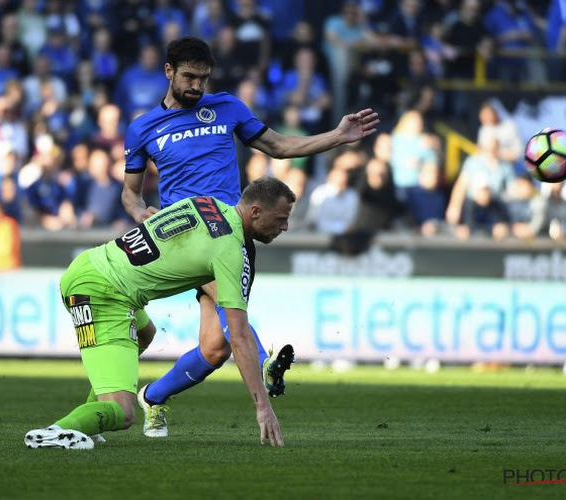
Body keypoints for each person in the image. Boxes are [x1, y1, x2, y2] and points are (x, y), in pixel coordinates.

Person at [122, 36, 379, 439]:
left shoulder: (226, 107)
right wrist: (140, 212)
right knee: (231, 309)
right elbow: (129, 192)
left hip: (231, 230)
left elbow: (278, 146)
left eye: (203, 78)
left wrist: (336, 136)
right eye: (189, 77)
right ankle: (263, 361)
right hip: (184, 232)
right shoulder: (142, 128)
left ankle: (153, 396)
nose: (197, 87)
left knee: (214, 349)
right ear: (168, 71)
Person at [24, 177, 295, 450]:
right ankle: (56, 431)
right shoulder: (229, 249)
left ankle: (89, 419)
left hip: (92, 264)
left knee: (145, 334)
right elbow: (237, 335)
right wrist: (263, 408)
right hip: (104, 293)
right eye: (281, 218)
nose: (284, 226)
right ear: (256, 212)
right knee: (123, 413)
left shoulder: (206, 204)